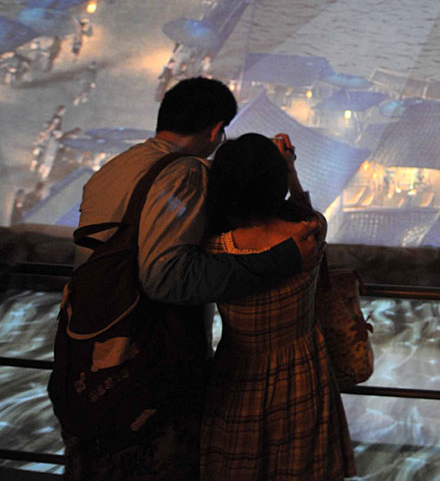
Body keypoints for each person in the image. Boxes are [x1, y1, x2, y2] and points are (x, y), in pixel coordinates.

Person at [65, 77, 323, 480]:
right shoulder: (186, 175)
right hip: (145, 366)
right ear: (216, 130)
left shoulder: (115, 168)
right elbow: (165, 277)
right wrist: (282, 257)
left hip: (93, 356)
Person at [200, 133, 355, 479]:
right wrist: (289, 170)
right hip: (302, 372)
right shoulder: (310, 233)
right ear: (276, 182)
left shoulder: (215, 249)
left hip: (238, 376)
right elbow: (304, 210)